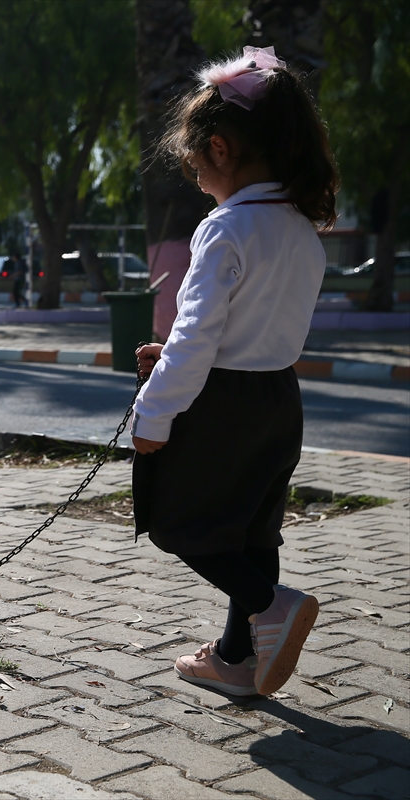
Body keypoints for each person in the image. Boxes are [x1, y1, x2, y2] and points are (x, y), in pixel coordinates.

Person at [130, 47, 338, 698]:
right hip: (279, 396)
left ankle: (269, 604)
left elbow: (197, 336)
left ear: (220, 150)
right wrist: (176, 363)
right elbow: (252, 328)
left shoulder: (226, 228)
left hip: (221, 406)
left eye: (194, 165)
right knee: (253, 525)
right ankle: (236, 658)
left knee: (175, 519)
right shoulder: (303, 229)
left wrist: (154, 411)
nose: (196, 180)